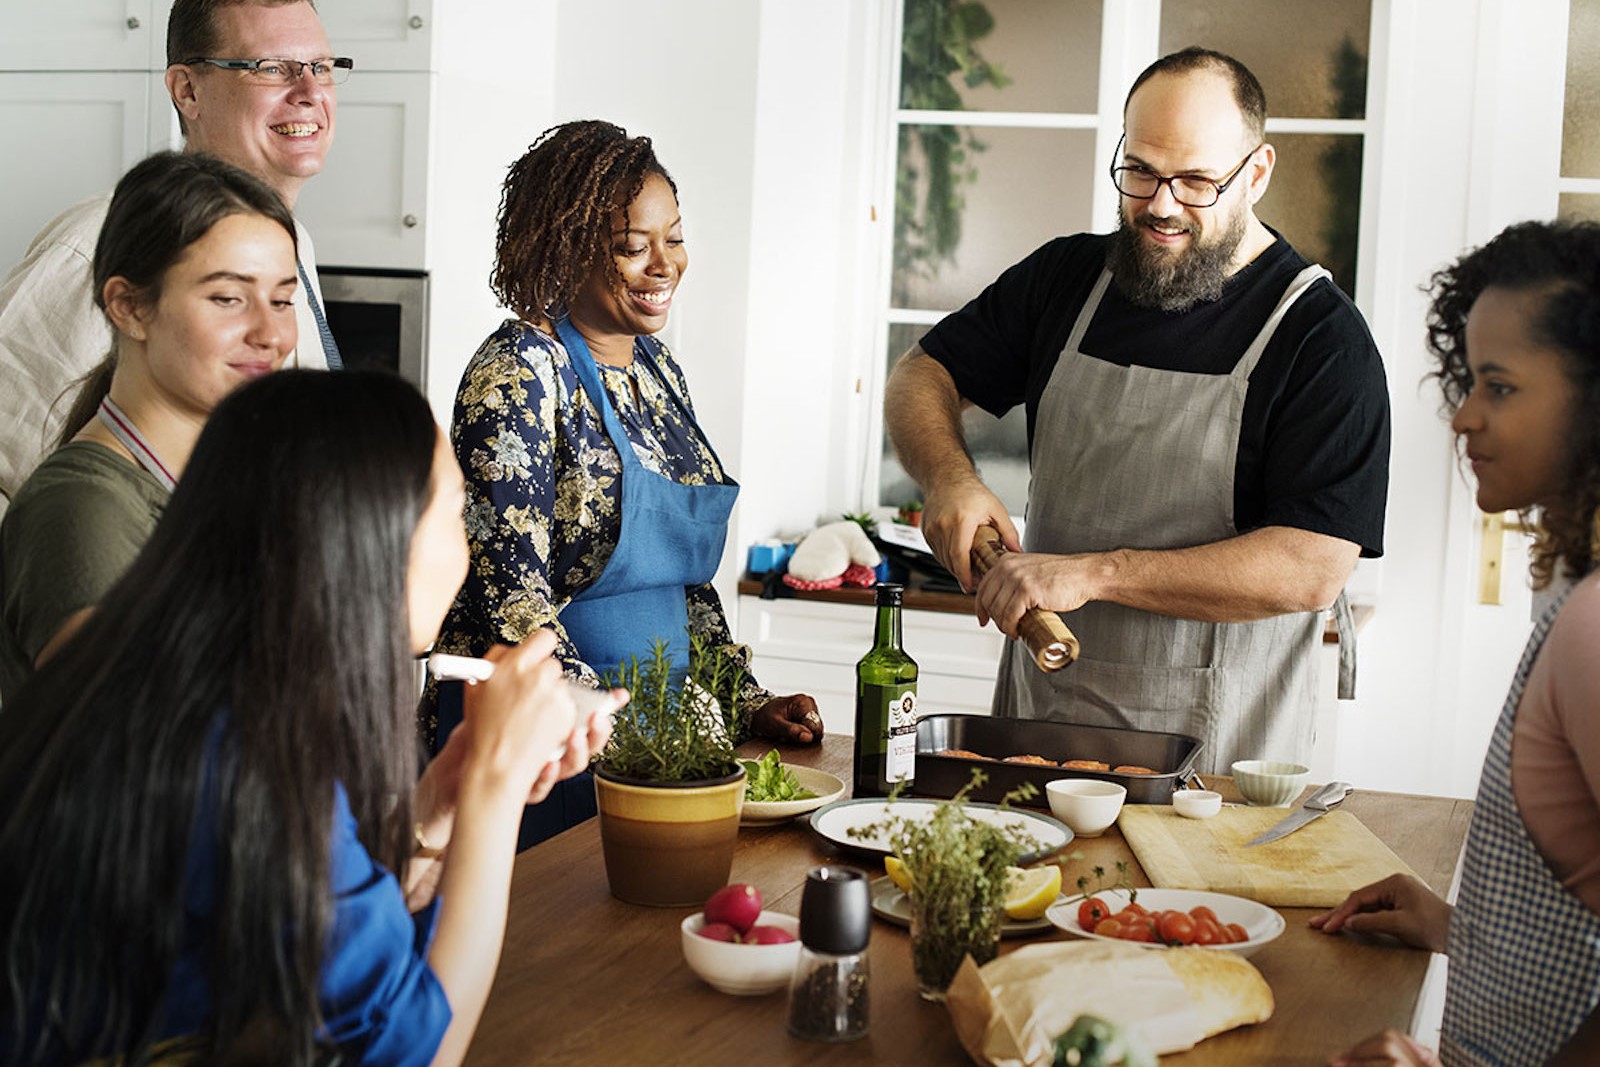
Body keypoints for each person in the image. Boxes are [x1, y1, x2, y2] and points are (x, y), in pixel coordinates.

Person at [0, 369, 607, 1065]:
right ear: (376, 539)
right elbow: (413, 1050)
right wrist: (497, 791)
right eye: (456, 515)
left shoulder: (183, 681)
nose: (465, 551)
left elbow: (323, 938)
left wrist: (444, 799)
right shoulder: (242, 748)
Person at [883, 47, 1390, 774]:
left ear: (1256, 172)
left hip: (1213, 764)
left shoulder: (1322, 341)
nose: (1159, 204)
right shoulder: (1067, 278)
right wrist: (949, 479)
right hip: (1043, 737)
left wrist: (1094, 574)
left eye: (1195, 181)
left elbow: (1311, 568)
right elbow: (921, 372)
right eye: (1142, 171)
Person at [423, 120, 821, 846]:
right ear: (564, 246)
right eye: (631, 246)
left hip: (650, 738)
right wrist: (605, 722)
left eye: (673, 237)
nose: (662, 264)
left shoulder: (659, 373)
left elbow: (685, 585)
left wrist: (742, 699)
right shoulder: (518, 371)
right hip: (549, 737)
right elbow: (511, 598)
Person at [1312, 220, 1600, 1067]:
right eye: (1469, 380)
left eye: (1500, 388)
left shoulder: (1591, 625)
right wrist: (1459, 927)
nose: (1463, 416)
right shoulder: (1574, 594)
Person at [0, 0, 347, 513]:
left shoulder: (293, 243)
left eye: (320, 67)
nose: (310, 93)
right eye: (271, 69)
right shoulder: (97, 244)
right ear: (187, 91)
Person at [0, 150, 299, 702]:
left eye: (282, 299)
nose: (270, 333)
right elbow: (142, 750)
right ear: (129, 307)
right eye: (229, 298)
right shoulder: (82, 508)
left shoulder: (229, 485)